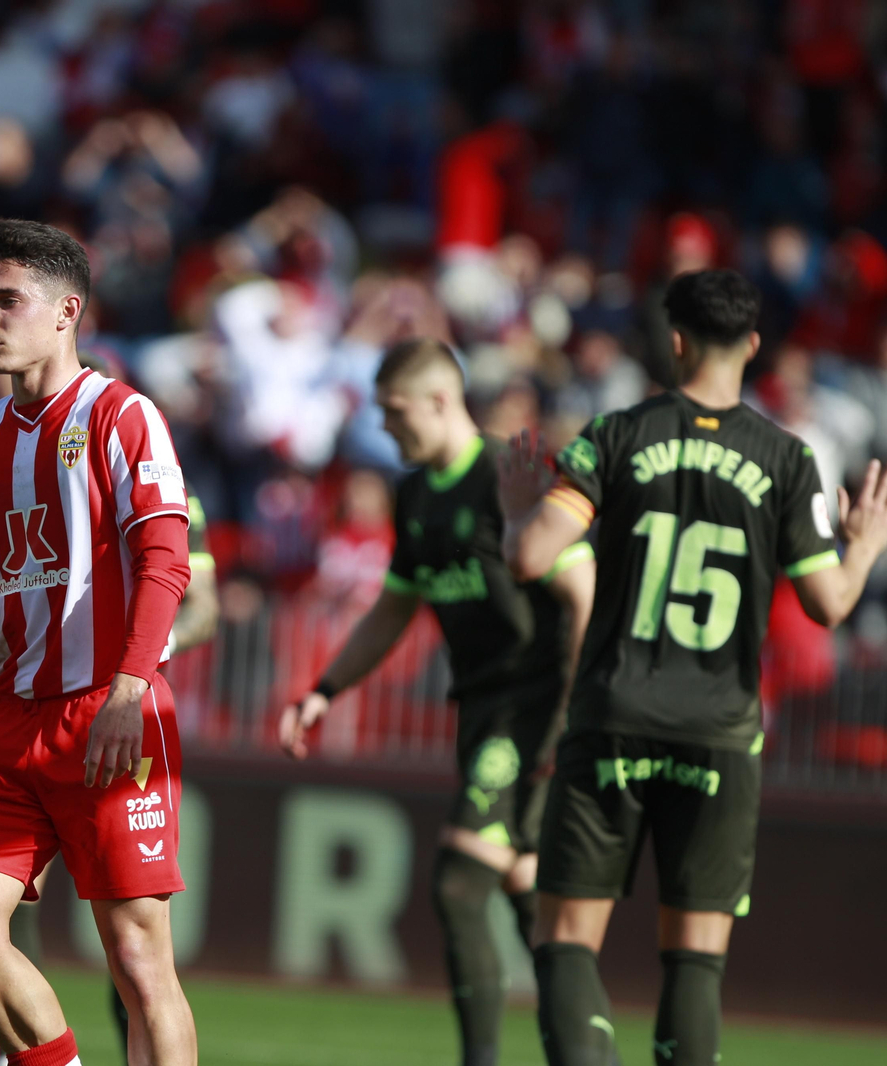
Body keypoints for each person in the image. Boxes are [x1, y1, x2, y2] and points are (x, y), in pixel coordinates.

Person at [498, 268, 887, 1066]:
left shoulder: (615, 434)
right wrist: (869, 541)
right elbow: (830, 604)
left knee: (567, 938)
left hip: (613, 714)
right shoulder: (788, 459)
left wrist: (513, 509)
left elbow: (534, 556)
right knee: (696, 955)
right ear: (751, 344)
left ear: (674, 340)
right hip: (719, 729)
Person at [0, 219, 197, 1066]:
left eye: (8, 301)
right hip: (11, 723)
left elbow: (166, 565)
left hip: (113, 713)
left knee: (138, 960)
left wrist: (130, 692)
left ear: (67, 313)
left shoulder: (123, 418)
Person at [278, 337, 595, 1066]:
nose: (386, 429)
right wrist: (326, 689)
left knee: (458, 884)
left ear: (441, 401)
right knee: (531, 899)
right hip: (483, 707)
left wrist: (570, 713)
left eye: (395, 413)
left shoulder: (507, 475)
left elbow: (582, 591)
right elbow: (394, 609)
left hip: (531, 704)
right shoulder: (415, 492)